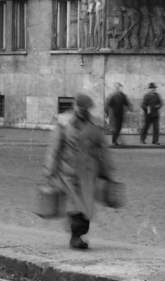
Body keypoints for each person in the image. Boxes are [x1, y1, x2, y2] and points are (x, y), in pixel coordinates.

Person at [44, 93, 114, 249]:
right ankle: (76, 236)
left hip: (88, 174)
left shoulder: (94, 126)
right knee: (75, 206)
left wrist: (107, 170)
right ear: (75, 107)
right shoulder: (63, 123)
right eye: (81, 108)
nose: (83, 111)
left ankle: (77, 235)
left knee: (86, 208)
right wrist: (49, 171)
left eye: (86, 109)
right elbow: (54, 149)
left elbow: (102, 149)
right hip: (68, 173)